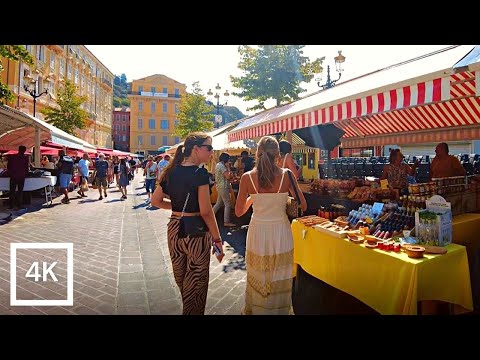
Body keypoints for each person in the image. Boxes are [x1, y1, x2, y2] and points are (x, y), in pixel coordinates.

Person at [151, 132, 224, 315]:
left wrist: (176, 210)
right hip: (196, 233)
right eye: (209, 148)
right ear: (196, 149)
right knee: (196, 284)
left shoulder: (171, 171)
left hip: (174, 229)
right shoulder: (200, 174)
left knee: (182, 280)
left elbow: (155, 201)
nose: (211, 152)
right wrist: (217, 240)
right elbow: (206, 211)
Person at [235, 136, 307, 315]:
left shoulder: (247, 178)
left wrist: (254, 197)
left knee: (259, 274)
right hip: (281, 231)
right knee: (280, 275)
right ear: (278, 154)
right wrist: (283, 199)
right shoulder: (287, 175)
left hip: (258, 230)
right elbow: (303, 206)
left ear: (257, 153)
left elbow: (238, 212)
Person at [212, 152, 236, 227]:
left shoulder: (218, 165)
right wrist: (228, 167)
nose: (229, 161)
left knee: (218, 203)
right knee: (227, 204)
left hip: (219, 186)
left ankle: (210, 216)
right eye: (228, 159)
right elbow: (228, 176)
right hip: (224, 186)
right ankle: (226, 221)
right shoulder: (222, 166)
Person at [7, 145, 29, 210]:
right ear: (24, 151)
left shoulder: (12, 157)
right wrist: (26, 174)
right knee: (20, 192)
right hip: (21, 176)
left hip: (13, 176)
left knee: (12, 191)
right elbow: (26, 168)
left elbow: (8, 166)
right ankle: (19, 205)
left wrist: (11, 172)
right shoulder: (25, 158)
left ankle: (11, 205)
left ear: (18, 149)